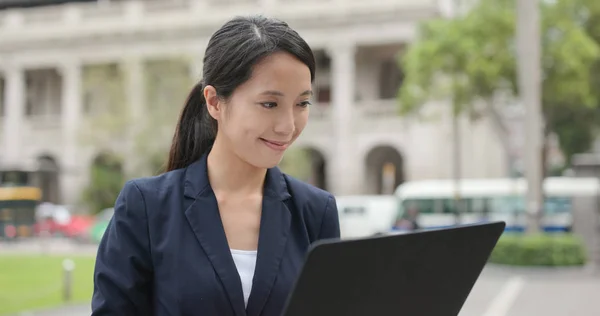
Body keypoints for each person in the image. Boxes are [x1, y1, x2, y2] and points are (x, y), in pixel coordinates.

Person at [91, 15, 341, 316]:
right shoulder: (146, 206)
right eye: (270, 104)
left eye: (302, 103)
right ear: (214, 102)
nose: (288, 126)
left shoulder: (316, 211)